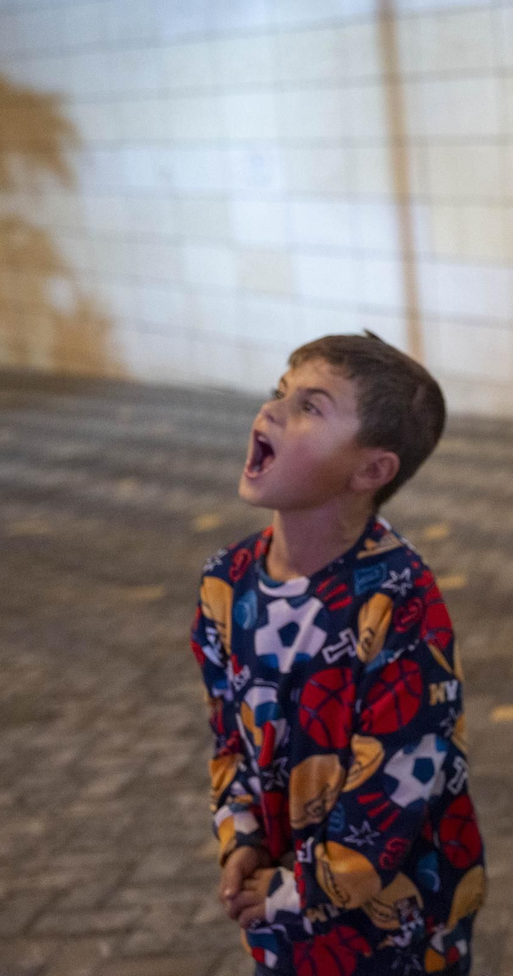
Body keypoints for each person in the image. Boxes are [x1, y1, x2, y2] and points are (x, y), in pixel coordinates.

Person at [192, 334, 483, 974]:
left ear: (372, 471)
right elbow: (228, 738)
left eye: (309, 406)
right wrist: (238, 839)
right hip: (283, 925)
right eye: (279, 392)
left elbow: (400, 778)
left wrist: (293, 889)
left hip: (399, 932)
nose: (271, 411)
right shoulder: (225, 583)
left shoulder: (399, 598)